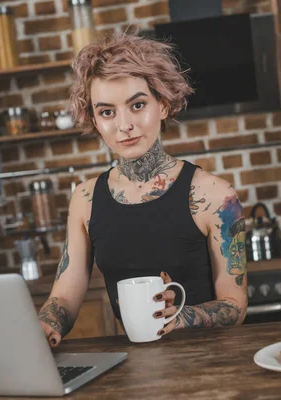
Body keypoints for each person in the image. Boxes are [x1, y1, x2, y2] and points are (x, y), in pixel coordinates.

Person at [37, 33, 248, 347]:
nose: (124, 125)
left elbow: (235, 304)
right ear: (94, 120)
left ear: (162, 105)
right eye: (107, 112)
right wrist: (43, 327)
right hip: (134, 368)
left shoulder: (215, 196)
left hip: (211, 363)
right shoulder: (85, 199)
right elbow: (66, 293)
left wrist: (183, 316)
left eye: (137, 105)